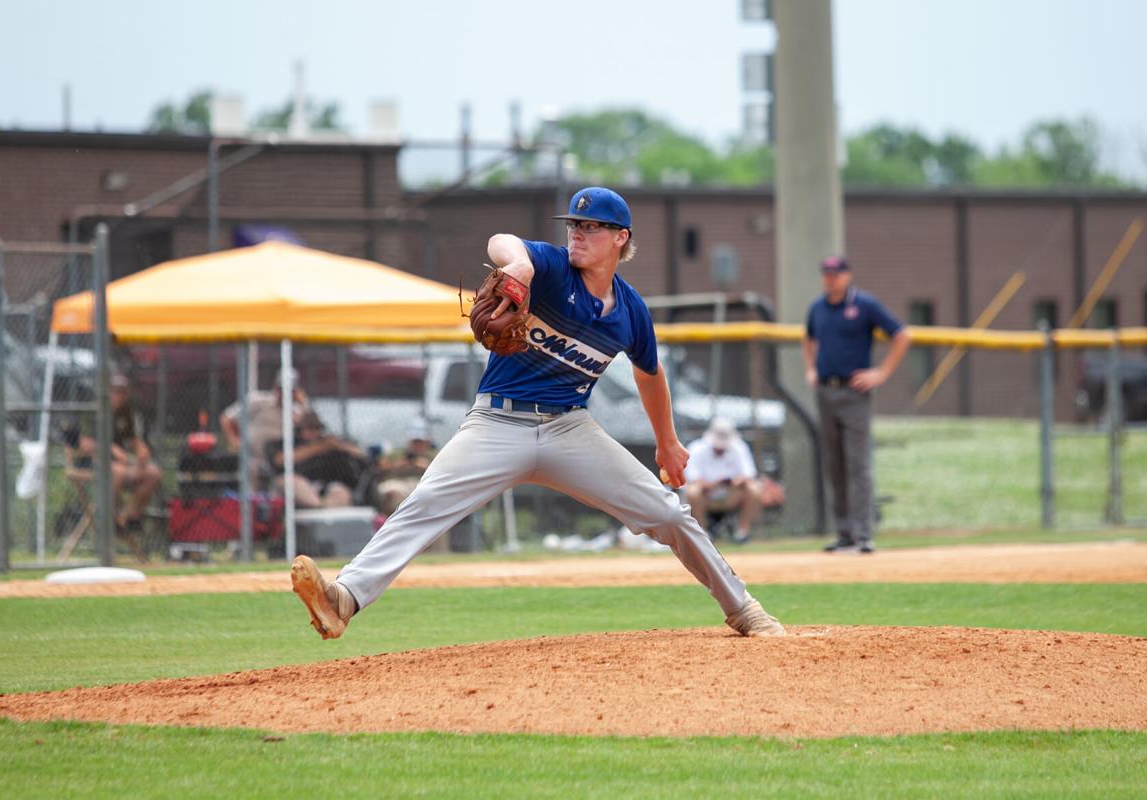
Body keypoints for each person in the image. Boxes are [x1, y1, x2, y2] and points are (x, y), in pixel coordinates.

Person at [291, 186, 785, 640]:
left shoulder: (631, 311)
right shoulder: (550, 267)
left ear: (620, 238)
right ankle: (343, 598)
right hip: (497, 423)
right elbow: (500, 240)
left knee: (667, 513)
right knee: (425, 504)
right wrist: (519, 267)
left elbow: (650, 374)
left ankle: (744, 609)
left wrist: (667, 441)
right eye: (574, 225)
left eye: (591, 227)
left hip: (569, 428)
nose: (578, 234)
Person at [802, 255, 911, 554]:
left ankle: (864, 534)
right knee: (834, 464)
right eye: (826, 273)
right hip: (826, 390)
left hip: (854, 393)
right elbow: (808, 338)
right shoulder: (818, 307)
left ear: (847, 275)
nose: (831, 278)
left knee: (857, 464)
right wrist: (810, 368)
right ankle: (844, 533)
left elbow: (901, 335)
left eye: (836, 273)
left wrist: (882, 373)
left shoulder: (864, 305)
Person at [73, 372, 162, 536]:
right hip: (93, 463)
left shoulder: (125, 412)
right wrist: (112, 449)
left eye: (122, 392)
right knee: (118, 471)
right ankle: (108, 517)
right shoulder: (94, 410)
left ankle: (128, 516)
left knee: (153, 473)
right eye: (115, 391)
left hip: (122, 464)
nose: (119, 396)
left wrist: (142, 450)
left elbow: (133, 439)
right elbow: (84, 443)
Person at [219, 367, 307, 490]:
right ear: (276, 388)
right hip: (252, 457)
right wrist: (234, 441)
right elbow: (226, 418)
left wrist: (302, 404)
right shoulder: (259, 401)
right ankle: (249, 506)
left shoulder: (295, 411)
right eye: (282, 389)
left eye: (290, 390)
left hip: (278, 462)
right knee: (252, 477)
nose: (285, 393)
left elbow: (306, 430)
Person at [683, 418, 765, 544]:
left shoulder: (739, 448)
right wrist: (712, 484)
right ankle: (703, 534)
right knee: (692, 491)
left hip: (731, 495)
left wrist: (734, 481)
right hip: (706, 497)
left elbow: (749, 474)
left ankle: (742, 533)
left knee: (755, 488)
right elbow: (692, 478)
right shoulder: (697, 448)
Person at [265, 409, 368, 509]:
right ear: (299, 430)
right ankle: (318, 506)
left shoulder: (330, 444)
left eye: (317, 428)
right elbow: (280, 460)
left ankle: (324, 511)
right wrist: (319, 447)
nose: (315, 432)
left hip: (324, 487)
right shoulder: (284, 443)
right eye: (310, 428)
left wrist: (338, 446)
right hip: (295, 488)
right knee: (294, 482)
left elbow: (361, 453)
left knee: (340, 492)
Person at [374, 417, 438, 518]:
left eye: (420, 441)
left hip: (424, 488)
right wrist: (397, 466)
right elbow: (379, 467)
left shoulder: (436, 455)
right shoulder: (398, 453)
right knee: (391, 493)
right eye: (415, 441)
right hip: (399, 487)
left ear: (427, 441)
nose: (417, 445)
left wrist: (427, 467)